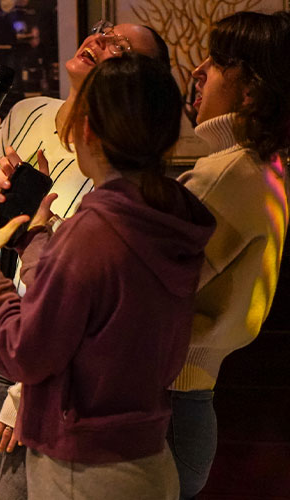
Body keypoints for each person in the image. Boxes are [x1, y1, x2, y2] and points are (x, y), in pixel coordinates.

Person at [0, 53, 215, 499]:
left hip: (85, 471)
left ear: (86, 128)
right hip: (147, 459)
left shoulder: (93, 233)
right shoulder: (172, 214)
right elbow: (96, 310)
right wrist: (36, 236)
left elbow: (26, 352)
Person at [167, 11, 290, 498]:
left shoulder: (226, 173)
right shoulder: (266, 164)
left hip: (168, 400)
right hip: (192, 399)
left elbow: (141, 292)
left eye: (217, 62)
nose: (197, 71)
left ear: (252, 90)